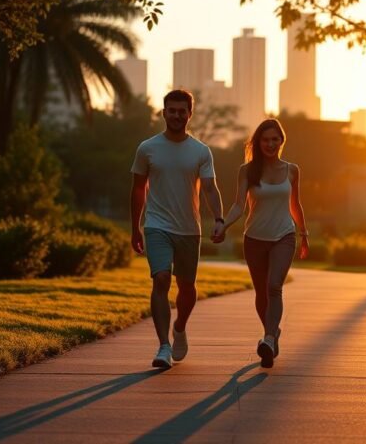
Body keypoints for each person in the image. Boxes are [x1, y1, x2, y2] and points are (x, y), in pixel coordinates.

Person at [131, 89, 225, 369]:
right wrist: (136, 227)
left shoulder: (200, 151)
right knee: (160, 279)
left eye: (181, 111)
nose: (176, 115)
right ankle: (163, 346)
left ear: (189, 114)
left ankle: (180, 326)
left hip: (188, 228)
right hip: (157, 225)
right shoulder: (147, 148)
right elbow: (137, 189)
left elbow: (209, 188)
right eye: (171, 110)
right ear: (163, 113)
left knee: (187, 287)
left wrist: (218, 218)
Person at [212, 118, 309, 368]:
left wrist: (303, 234)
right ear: (258, 142)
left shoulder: (292, 170)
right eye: (265, 139)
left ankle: (267, 338)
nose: (270, 143)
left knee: (274, 286)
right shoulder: (247, 170)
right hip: (254, 238)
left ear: (281, 141)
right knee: (261, 293)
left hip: (284, 236)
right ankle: (273, 334)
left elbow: (295, 204)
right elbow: (238, 205)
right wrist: (224, 224)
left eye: (274, 139)